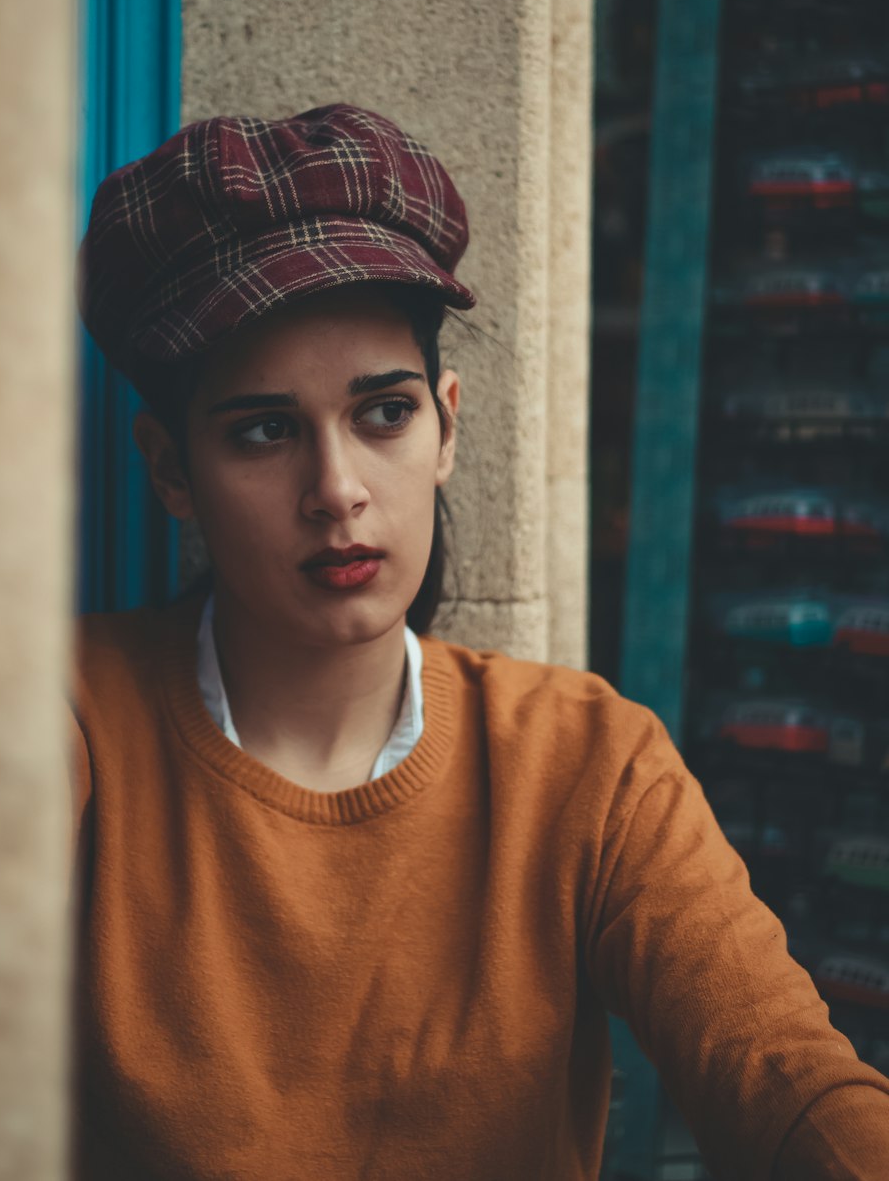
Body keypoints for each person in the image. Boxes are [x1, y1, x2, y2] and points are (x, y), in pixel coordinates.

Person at [72, 104, 889, 1180]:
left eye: (383, 414)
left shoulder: (587, 763)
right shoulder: (68, 716)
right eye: (263, 430)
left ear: (447, 424)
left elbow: (783, 1074)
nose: (337, 492)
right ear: (171, 469)